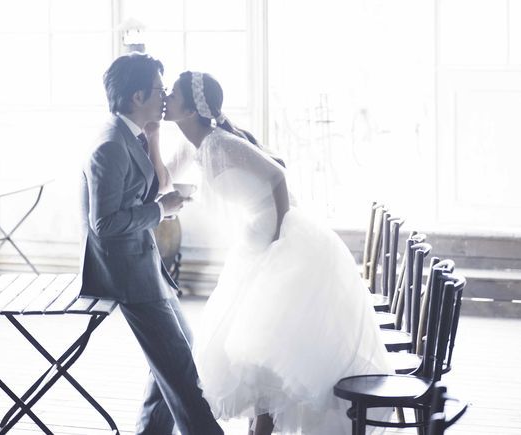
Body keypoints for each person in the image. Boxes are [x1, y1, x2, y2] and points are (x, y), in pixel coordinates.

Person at [163, 71, 393, 435]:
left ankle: (262, 428)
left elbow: (277, 176)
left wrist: (282, 233)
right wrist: (150, 133)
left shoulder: (220, 143)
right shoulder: (192, 145)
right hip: (254, 238)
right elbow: (162, 179)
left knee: (269, 342)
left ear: (191, 110)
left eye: (172, 94)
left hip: (280, 236)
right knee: (252, 340)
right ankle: (260, 427)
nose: (165, 96)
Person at [79, 54, 223, 435]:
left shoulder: (130, 134)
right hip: (124, 273)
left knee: (179, 354)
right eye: (160, 89)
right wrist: (159, 211)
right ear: (137, 96)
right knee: (182, 369)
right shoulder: (110, 146)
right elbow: (103, 224)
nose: (164, 96)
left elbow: (144, 192)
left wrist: (160, 204)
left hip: (142, 264)